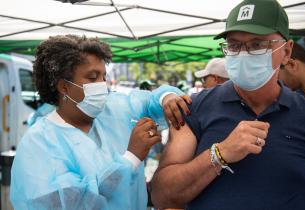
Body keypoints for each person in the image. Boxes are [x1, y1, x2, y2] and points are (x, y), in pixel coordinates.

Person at [151, 0, 305, 210]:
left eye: (257, 44)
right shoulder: (195, 107)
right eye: (234, 45)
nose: (243, 54)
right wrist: (219, 154)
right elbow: (162, 196)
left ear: (287, 51)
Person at [10, 35, 192, 210]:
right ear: (64, 86)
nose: (102, 85)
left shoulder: (116, 109)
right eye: (92, 77)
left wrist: (167, 98)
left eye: (103, 77)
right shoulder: (40, 142)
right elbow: (72, 203)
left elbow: (152, 101)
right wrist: (131, 158)